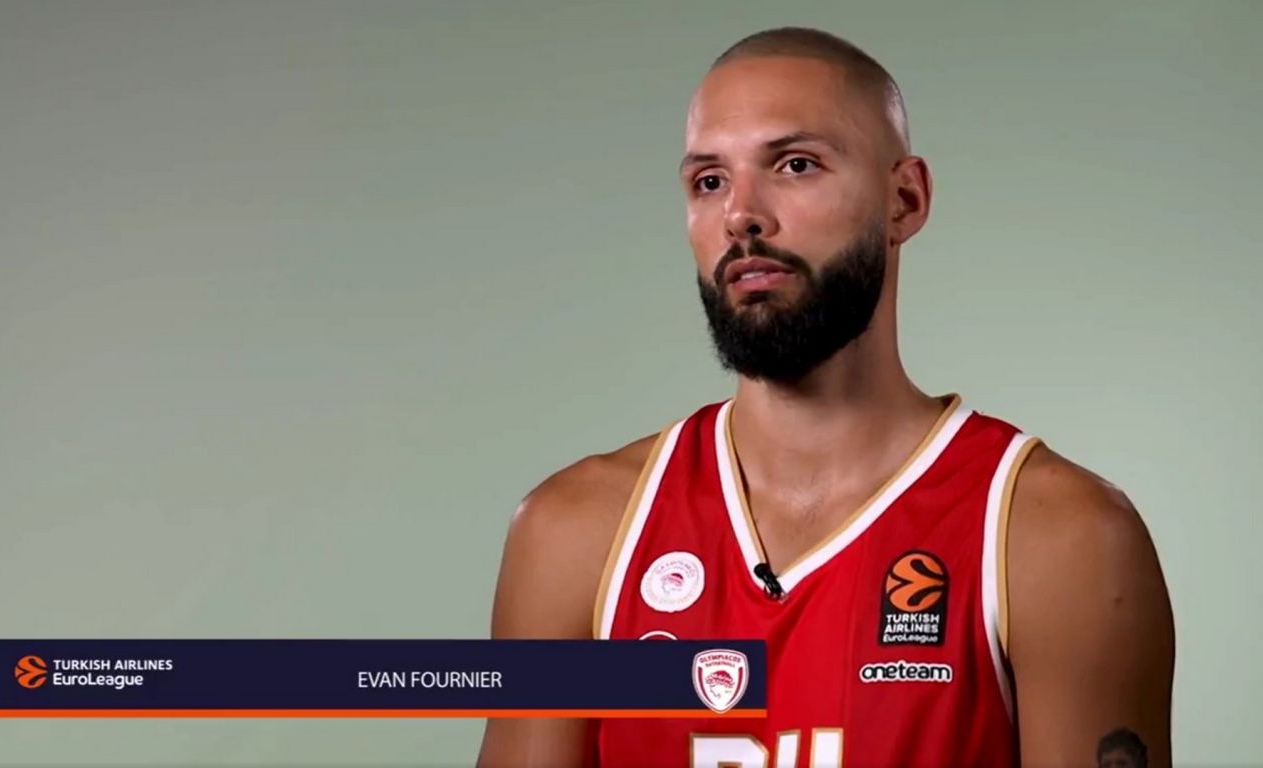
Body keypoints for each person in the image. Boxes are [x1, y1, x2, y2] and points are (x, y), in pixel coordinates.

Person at [477, 26, 1174, 768]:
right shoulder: (575, 532)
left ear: (904, 199)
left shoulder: (1060, 539)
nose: (741, 214)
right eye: (709, 181)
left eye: (795, 165)